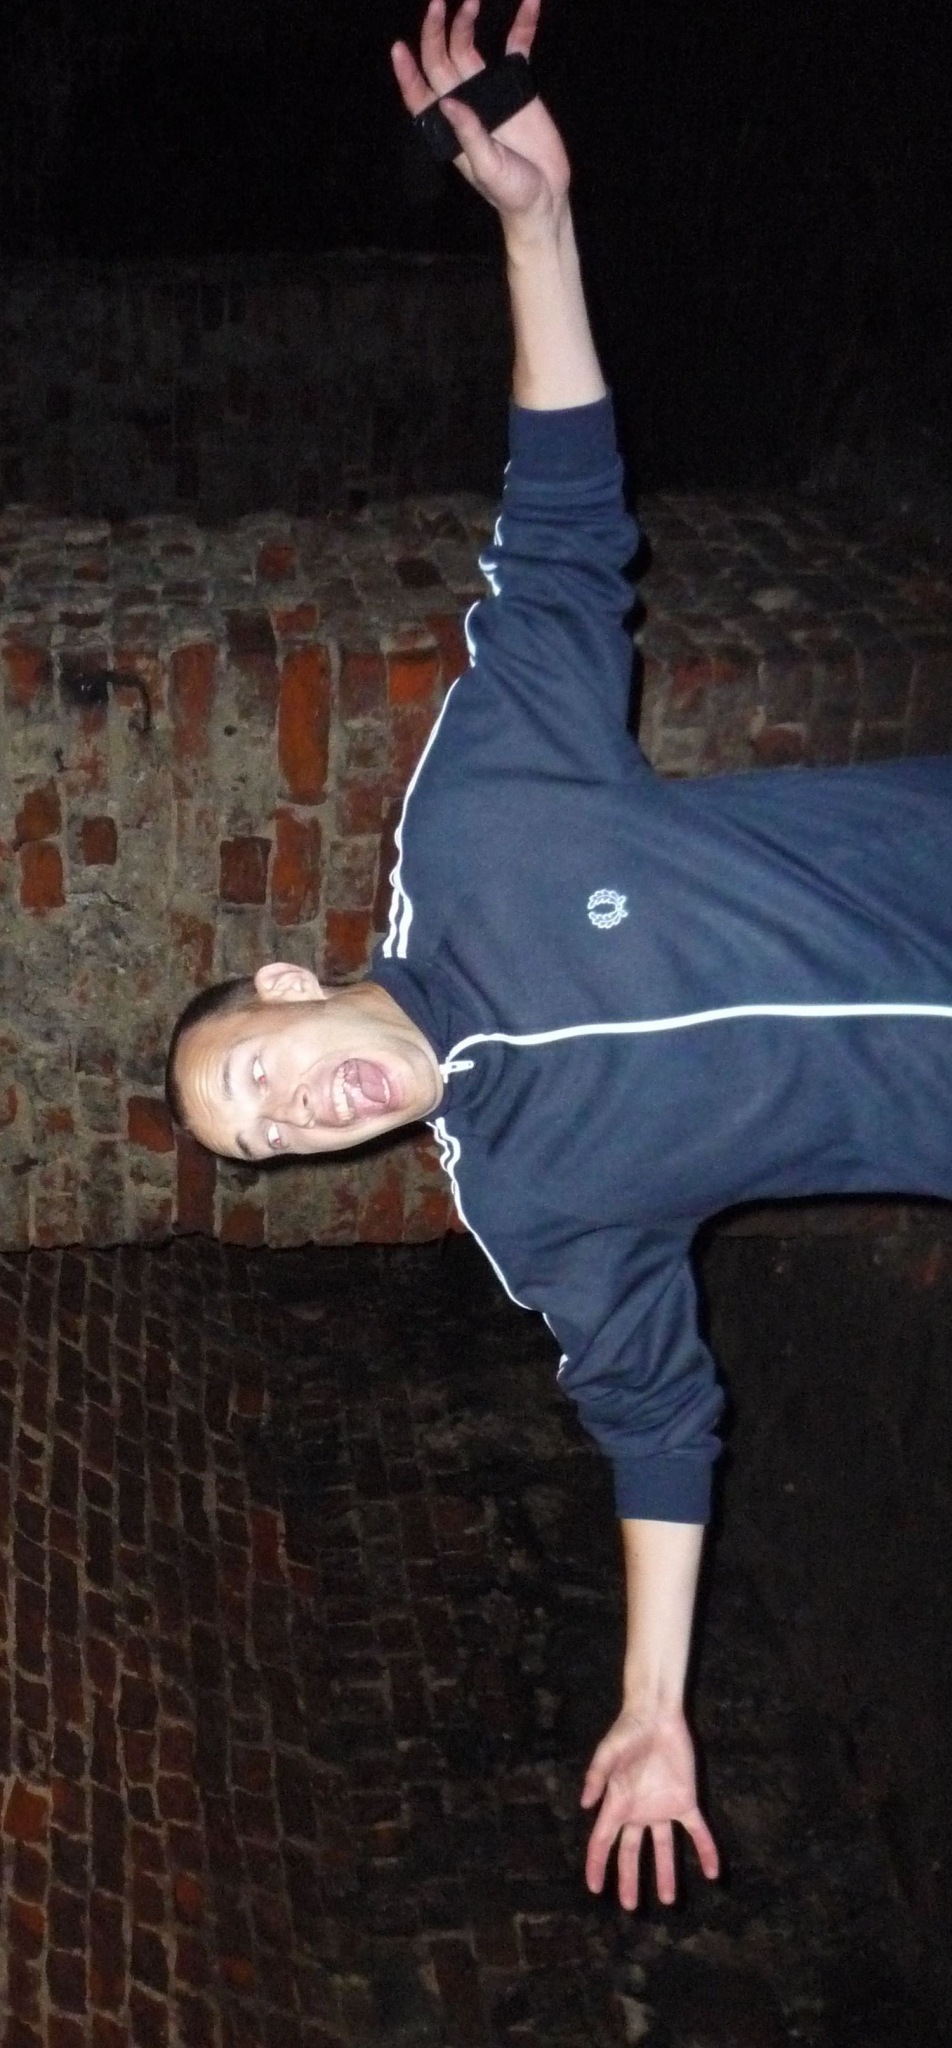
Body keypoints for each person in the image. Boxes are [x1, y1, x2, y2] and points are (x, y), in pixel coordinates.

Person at [166, 0, 952, 1913]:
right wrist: (653, 1708)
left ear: (288, 987)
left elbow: (564, 534)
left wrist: (535, 227)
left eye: (258, 1077)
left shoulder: (476, 826)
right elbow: (656, 1413)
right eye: (269, 1143)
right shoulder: (531, 1207)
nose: (296, 1115)